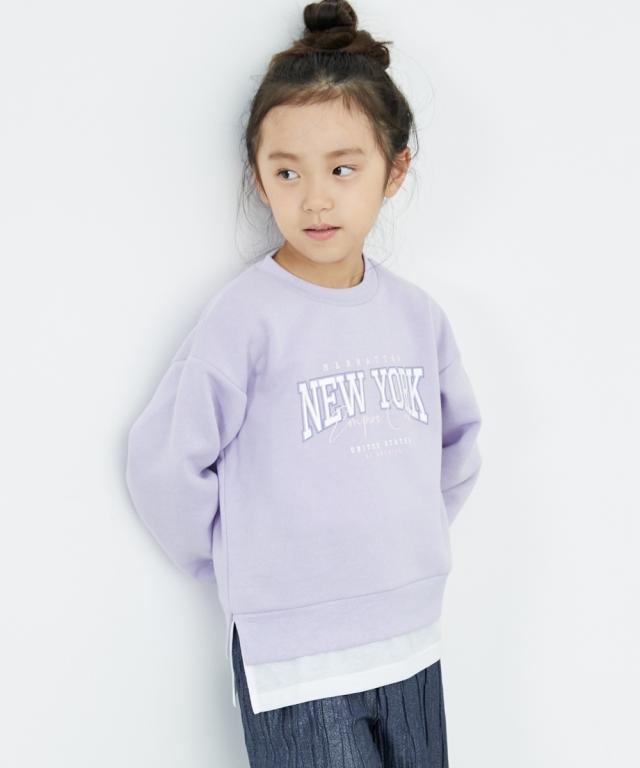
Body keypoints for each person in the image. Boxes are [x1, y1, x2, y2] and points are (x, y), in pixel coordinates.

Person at [125, 1, 483, 765]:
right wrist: (243, 565)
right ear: (259, 177)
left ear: (394, 171)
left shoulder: (417, 317)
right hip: (295, 660)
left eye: (342, 169)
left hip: (411, 637)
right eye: (286, 171)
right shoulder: (246, 317)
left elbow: (458, 447)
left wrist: (408, 544)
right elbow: (164, 465)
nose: (315, 198)